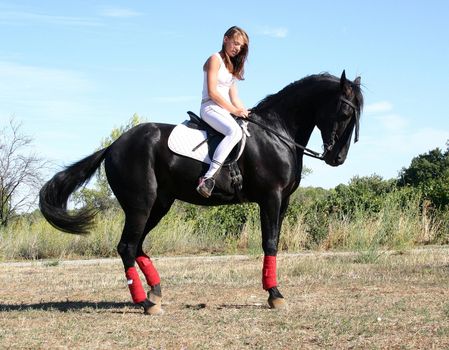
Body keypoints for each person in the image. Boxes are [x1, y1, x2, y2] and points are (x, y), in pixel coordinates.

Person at [196, 26, 250, 198]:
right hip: (210, 107)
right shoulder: (215, 59)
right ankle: (208, 178)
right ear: (225, 39)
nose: (237, 48)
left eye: (240, 46)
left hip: (224, 110)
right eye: (235, 43)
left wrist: (244, 111)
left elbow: (235, 97)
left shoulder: (232, 67)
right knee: (233, 131)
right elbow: (213, 92)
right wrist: (234, 110)